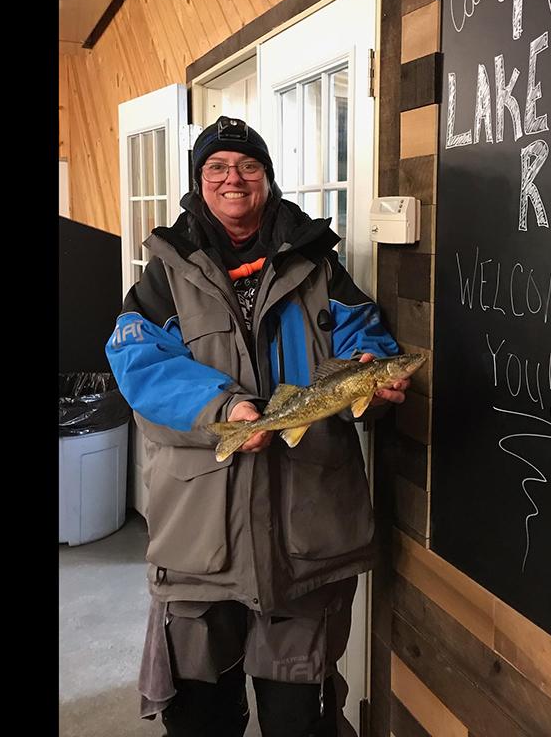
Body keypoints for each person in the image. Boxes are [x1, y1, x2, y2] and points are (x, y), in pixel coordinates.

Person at [105, 116, 411, 737]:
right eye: (216, 167)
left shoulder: (319, 264)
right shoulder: (167, 271)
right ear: (199, 181)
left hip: (308, 533)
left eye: (248, 166)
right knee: (199, 717)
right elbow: (137, 359)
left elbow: (363, 341)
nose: (233, 178)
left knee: (299, 717)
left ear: (267, 180)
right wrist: (224, 407)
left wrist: (373, 378)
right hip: (200, 539)